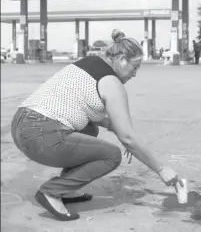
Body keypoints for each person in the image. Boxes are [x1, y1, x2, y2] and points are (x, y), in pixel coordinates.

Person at [10, 29, 179, 221]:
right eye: (135, 67)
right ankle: (52, 191)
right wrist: (161, 169)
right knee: (111, 155)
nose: (135, 74)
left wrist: (118, 129)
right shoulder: (111, 82)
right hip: (41, 136)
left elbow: (85, 109)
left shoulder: (87, 63)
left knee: (89, 129)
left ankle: (65, 189)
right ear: (122, 59)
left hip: (20, 127)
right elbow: (128, 138)